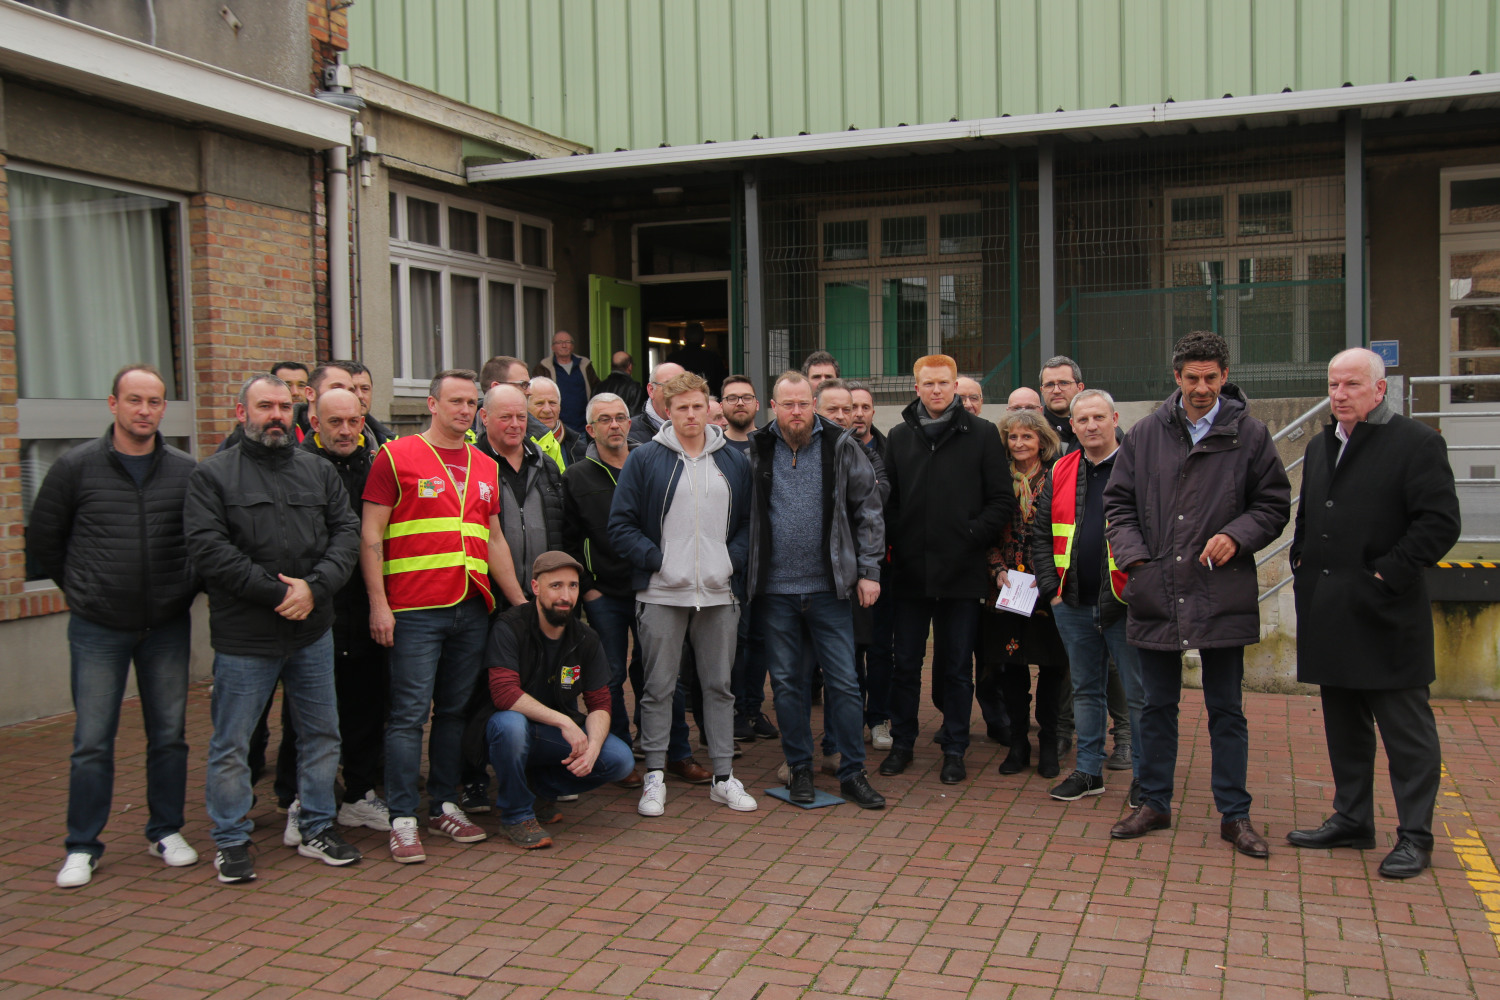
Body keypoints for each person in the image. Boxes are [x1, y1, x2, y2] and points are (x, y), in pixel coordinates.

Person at [1103, 331, 1290, 857]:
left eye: (1211, 378)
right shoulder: (1143, 434)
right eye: (1192, 378)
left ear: (1224, 376)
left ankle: (1235, 815)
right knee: (1156, 705)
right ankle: (1153, 803)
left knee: (1226, 709)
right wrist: (1136, 558)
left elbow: (1274, 503)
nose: (1202, 387)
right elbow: (1118, 504)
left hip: (1218, 588)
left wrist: (1237, 534)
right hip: (1156, 587)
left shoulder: (1250, 435)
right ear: (1177, 377)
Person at [1287, 349, 1461, 879]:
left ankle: (1415, 836)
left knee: (1407, 734)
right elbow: (1314, 514)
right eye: (1334, 384)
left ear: (1380, 390)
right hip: (1330, 612)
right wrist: (1299, 561)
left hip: (1386, 617)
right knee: (1344, 727)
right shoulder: (1321, 445)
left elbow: (1438, 524)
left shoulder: (1417, 443)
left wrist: (1387, 574)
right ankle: (1352, 819)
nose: (1339, 394)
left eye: (1352, 385)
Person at [184, 374, 363, 883]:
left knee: (321, 733)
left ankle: (316, 826)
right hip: (246, 636)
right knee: (233, 742)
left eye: (284, 406)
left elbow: (346, 533)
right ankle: (231, 838)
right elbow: (210, 551)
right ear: (242, 413)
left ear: (298, 414)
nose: (276, 416)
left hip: (312, 629)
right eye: (265, 406)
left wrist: (314, 588)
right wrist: (279, 593)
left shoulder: (317, 471)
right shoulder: (212, 476)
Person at [30, 365, 201, 889]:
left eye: (154, 401)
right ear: (113, 405)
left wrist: (180, 590)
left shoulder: (185, 471)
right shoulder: (75, 468)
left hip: (166, 626)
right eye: (134, 400)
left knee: (169, 736)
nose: (144, 410)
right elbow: (45, 543)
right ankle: (82, 844)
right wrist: (85, 593)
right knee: (91, 740)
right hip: (98, 627)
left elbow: (200, 541)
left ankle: (165, 830)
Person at [361, 369, 527, 864]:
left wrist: (518, 602)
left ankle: (445, 804)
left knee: (454, 712)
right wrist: (378, 604)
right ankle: (404, 818)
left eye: (470, 402)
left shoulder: (484, 464)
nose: (463, 409)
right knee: (409, 714)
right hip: (413, 609)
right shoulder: (395, 456)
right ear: (431, 404)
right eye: (453, 401)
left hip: (470, 607)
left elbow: (493, 538)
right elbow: (370, 536)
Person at [608, 371, 756, 816]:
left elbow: (750, 524)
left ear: (708, 406)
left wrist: (728, 562)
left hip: (718, 592)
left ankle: (724, 776)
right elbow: (620, 526)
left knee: (719, 686)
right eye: (681, 408)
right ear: (666, 412)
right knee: (658, 687)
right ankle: (654, 774)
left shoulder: (733, 460)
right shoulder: (645, 459)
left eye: (697, 406)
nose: (691, 415)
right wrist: (659, 562)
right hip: (661, 593)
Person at [746, 372, 886, 808]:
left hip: (830, 589)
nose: (796, 412)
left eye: (804, 404)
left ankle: (852, 772)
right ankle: (800, 769)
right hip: (776, 591)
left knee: (844, 683)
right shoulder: (757, 448)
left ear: (815, 403)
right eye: (787, 405)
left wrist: (869, 571)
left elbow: (869, 510)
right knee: (787, 684)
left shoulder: (841, 445)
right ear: (773, 406)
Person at [879, 354, 1012, 784]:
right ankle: (902, 744)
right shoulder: (898, 436)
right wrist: (905, 535)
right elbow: (890, 501)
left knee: (956, 668)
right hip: (912, 576)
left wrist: (968, 535)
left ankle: (955, 748)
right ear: (915, 388)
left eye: (944, 383)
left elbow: (1000, 502)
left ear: (956, 386)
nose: (936, 390)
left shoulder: (983, 434)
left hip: (962, 573)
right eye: (928, 384)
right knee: (906, 665)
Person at [1031, 389, 1146, 806]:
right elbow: (1041, 535)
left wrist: (1142, 590)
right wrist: (1052, 591)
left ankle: (1146, 779)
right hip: (1073, 603)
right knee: (1085, 689)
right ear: (1072, 425)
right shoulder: (1061, 469)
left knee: (1139, 694)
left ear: (1115, 418)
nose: (1091, 426)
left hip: (1127, 602)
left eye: (1099, 417)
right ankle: (1089, 771)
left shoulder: (1140, 468)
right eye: (1083, 420)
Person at [287, 388, 392, 837]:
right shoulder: (297, 469)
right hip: (316, 608)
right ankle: (299, 800)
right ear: (315, 423)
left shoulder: (377, 464)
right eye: (335, 423)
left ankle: (358, 794)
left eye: (354, 421)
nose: (346, 430)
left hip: (366, 606)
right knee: (307, 715)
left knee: (366, 705)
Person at [482, 551, 636, 849]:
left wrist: (592, 747)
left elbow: (601, 703)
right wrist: (564, 720)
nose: (565, 596)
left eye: (573, 586)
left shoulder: (586, 637)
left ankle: (538, 790)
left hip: (550, 734)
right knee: (511, 725)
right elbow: (503, 693)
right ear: (536, 587)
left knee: (619, 760)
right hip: (503, 728)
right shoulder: (509, 626)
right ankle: (516, 815)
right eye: (556, 586)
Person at [561, 393, 646, 787]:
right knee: (609, 676)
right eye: (605, 420)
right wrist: (589, 589)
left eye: (621, 418)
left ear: (630, 423)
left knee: (658, 672)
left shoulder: (649, 464)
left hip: (652, 588)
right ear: (590, 430)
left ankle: (664, 749)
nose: (615, 425)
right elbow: (570, 540)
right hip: (605, 596)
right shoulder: (575, 477)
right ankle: (621, 752)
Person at [984, 409, 1070, 780]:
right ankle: (1019, 744)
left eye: (1027, 437)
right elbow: (987, 531)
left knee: (1053, 666)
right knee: (1010, 668)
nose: (1019, 444)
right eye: (1013, 438)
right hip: (1005, 589)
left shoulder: (1058, 475)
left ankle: (1049, 743)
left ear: (1042, 441)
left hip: (1048, 588)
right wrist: (997, 570)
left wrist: (1048, 574)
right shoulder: (995, 477)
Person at [847, 380, 894, 751]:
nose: (858, 414)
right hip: (843, 568)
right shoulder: (830, 451)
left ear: (872, 411)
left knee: (880, 647)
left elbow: (884, 499)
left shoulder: (888, 450)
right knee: (849, 650)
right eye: (852, 408)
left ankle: (878, 718)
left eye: (864, 407)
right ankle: (850, 720)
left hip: (883, 566)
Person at [479, 355, 565, 472]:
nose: (529, 392)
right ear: (496, 387)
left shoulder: (545, 438)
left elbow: (558, 486)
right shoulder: (460, 436)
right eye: (523, 385)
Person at [532, 330, 600, 436]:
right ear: (553, 347)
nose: (564, 345)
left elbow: (597, 390)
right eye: (559, 342)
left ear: (572, 346)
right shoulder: (543, 368)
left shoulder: (585, 365)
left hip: (583, 426)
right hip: (556, 427)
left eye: (567, 342)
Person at [528, 375, 587, 467]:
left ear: (560, 407)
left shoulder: (579, 447)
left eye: (552, 403)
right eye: (539, 403)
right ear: (525, 407)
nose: (547, 410)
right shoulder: (519, 445)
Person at [628, 361, 686, 444]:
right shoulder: (628, 432)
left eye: (682, 385)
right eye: (669, 386)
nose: (676, 392)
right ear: (651, 390)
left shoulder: (700, 429)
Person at [1039, 356, 1085, 455]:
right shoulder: (1034, 435)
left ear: (1080, 387)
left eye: (1064, 383)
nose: (1056, 390)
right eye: (1049, 385)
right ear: (1042, 391)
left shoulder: (1101, 430)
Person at [667, 322, 728, 396]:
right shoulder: (713, 358)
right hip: (709, 400)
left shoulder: (673, 358)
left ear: (684, 340)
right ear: (704, 340)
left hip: (679, 400)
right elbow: (720, 385)